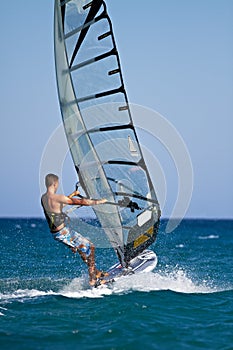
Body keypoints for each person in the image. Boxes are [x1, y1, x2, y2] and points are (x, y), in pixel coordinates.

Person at [41, 173, 107, 286]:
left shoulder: (44, 198)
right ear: (54, 184)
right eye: (57, 184)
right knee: (91, 246)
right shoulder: (58, 197)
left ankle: (96, 272)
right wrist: (99, 202)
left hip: (57, 234)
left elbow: (58, 206)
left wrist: (73, 194)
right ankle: (92, 279)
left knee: (83, 251)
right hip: (64, 232)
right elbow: (81, 202)